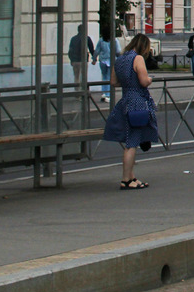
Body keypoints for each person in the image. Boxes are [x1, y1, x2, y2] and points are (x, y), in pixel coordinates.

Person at [102, 33, 159, 189]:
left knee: (131, 139)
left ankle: (132, 177)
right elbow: (144, 81)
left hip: (125, 101)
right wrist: (150, 79)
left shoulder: (120, 59)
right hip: (138, 102)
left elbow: (114, 82)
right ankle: (126, 179)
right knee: (132, 142)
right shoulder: (138, 59)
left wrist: (128, 83)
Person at [67, 23, 95, 90]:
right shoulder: (87, 38)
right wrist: (94, 58)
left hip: (75, 61)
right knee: (84, 77)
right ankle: (83, 91)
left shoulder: (73, 39)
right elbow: (91, 49)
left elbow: (70, 51)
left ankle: (77, 92)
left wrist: (71, 60)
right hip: (84, 60)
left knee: (76, 77)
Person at [97, 28, 114, 102]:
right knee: (109, 77)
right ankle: (107, 95)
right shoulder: (114, 40)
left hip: (103, 61)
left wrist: (94, 59)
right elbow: (118, 51)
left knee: (104, 77)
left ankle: (104, 93)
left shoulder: (101, 40)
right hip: (111, 60)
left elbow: (97, 50)